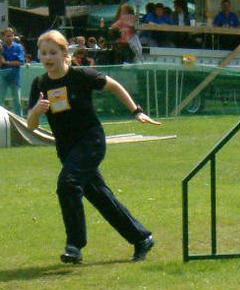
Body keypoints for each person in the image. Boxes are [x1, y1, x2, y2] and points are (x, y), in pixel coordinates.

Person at [27, 30, 161, 264]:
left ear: (64, 54)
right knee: (100, 196)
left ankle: (74, 245)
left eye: (53, 52)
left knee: (67, 185)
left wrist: (136, 111)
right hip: (67, 150)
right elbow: (31, 124)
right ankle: (142, 238)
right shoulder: (40, 84)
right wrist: (36, 111)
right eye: (43, 53)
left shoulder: (81, 76)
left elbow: (114, 86)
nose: (47, 57)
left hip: (91, 141)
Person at [0, 27, 25, 116]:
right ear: (3, 37)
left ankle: (20, 121)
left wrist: (6, 62)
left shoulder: (18, 47)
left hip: (15, 77)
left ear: (14, 36)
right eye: (7, 36)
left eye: (11, 36)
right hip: (3, 76)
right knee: (0, 100)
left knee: (17, 101)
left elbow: (20, 62)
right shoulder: (1, 47)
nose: (9, 38)